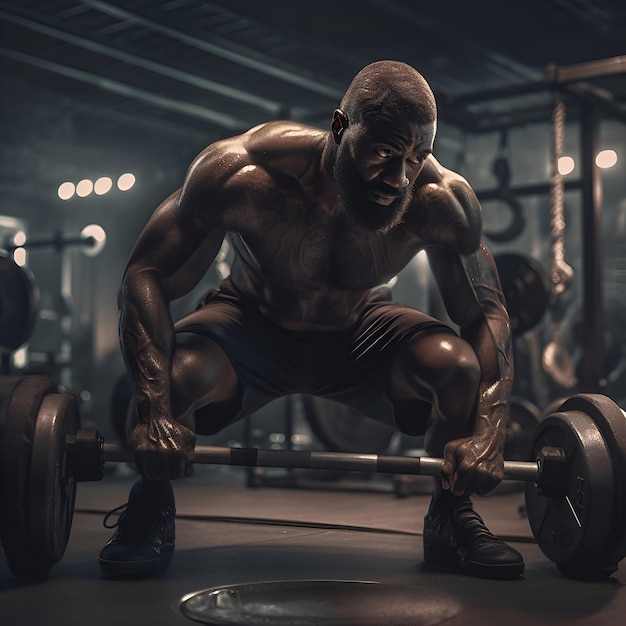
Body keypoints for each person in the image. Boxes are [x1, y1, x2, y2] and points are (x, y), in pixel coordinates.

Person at [99, 60, 524, 581]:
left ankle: (451, 516)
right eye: (386, 153)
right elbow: (146, 274)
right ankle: (151, 505)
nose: (399, 179)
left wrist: (491, 429)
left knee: (459, 369)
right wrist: (153, 413)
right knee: (174, 377)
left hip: (359, 331)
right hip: (251, 326)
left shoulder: (439, 202)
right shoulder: (244, 174)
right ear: (341, 127)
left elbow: (486, 313)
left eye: (417, 158)